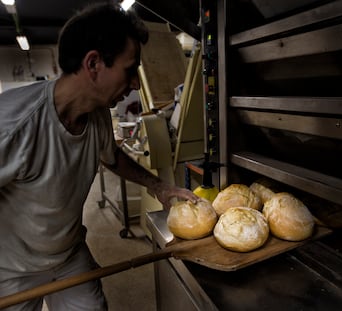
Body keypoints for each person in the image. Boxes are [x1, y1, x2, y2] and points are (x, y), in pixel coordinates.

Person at [0, 3, 198, 310]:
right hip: (12, 270)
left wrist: (158, 186)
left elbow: (111, 157)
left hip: (68, 254)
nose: (134, 83)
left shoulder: (98, 115)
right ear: (93, 63)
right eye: (130, 69)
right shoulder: (13, 124)